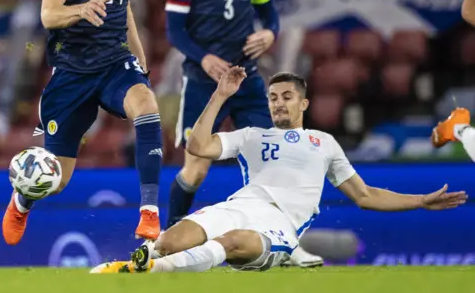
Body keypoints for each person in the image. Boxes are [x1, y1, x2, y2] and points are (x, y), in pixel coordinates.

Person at [92, 68, 467, 273]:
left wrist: (420, 200)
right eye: (273, 98)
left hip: (278, 223)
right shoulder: (252, 135)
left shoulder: (324, 143)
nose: (278, 104)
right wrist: (220, 95)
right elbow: (198, 147)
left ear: (304, 102)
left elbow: (365, 195)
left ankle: (145, 271)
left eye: (287, 97)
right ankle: (139, 264)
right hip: (238, 205)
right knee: (170, 240)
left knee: (233, 242)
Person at [163, 0, 325, 267]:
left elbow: (269, 13)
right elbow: (174, 30)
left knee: (276, 160)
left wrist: (269, 33)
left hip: (248, 79)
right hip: (203, 84)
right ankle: (169, 239)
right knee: (196, 167)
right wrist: (203, 57)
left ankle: (288, 244)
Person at [2, 0, 163, 245]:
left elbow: (123, 11)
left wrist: (138, 57)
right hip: (72, 73)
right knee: (57, 181)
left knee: (147, 106)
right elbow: (49, 16)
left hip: (113, 63)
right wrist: (80, 9)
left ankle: (150, 212)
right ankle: (22, 201)